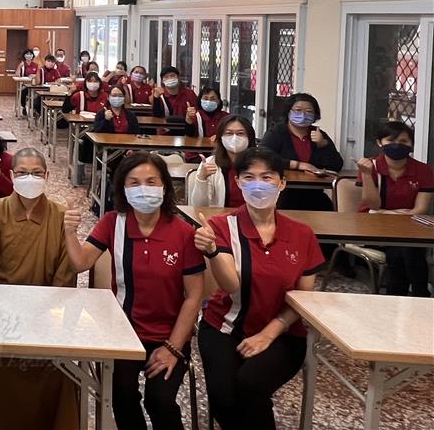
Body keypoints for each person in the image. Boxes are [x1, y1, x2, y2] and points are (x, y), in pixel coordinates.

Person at [63, 153, 204, 430]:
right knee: (121, 396)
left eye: (151, 182)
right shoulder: (112, 223)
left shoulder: (184, 233)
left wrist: (172, 348)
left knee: (160, 400)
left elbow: (194, 296)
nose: (143, 189)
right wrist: (69, 231)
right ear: (123, 189)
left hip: (170, 335)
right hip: (124, 333)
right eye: (134, 182)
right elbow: (80, 263)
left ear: (164, 186)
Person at [194, 147, 325, 430]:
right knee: (223, 398)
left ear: (282, 183)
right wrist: (213, 251)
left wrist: (269, 333)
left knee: (251, 384)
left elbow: (304, 298)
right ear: (238, 182)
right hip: (224, 327)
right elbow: (230, 285)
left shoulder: (302, 234)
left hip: (284, 332)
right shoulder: (221, 226)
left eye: (267, 177)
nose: (258, 185)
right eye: (249, 177)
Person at [0, 147, 78, 430]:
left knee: (59, 370)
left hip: (45, 317)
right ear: (11, 175)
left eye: (36, 173)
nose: (29, 178)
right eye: (22, 173)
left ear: (47, 176)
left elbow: (67, 274)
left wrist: (47, 317)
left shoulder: (60, 216)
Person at [356, 121, 433, 296]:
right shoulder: (370, 166)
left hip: (408, 229)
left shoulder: (422, 170)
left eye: (404, 141)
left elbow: (420, 209)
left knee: (403, 248)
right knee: (406, 248)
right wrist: (366, 175)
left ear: (411, 144)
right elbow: (373, 205)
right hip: (373, 228)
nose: (397, 145)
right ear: (379, 143)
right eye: (391, 140)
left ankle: (398, 298)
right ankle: (421, 295)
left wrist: (392, 217)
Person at [260, 92, 342, 211]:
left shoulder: (318, 133)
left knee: (330, 212)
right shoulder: (277, 132)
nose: (303, 115)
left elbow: (337, 165)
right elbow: (262, 158)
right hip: (283, 192)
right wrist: (297, 165)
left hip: (314, 193)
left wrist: (323, 144)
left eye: (309, 111)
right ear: (288, 112)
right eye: (298, 110)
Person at [187, 115, 257, 208]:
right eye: (229, 133)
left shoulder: (260, 164)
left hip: (254, 216)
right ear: (221, 138)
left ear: (249, 137)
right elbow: (199, 206)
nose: (234, 138)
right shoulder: (210, 163)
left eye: (240, 133)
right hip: (221, 216)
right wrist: (202, 178)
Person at [16, 48, 39, 117]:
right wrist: (19, 67)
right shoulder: (22, 64)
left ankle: (35, 109)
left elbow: (38, 75)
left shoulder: (36, 65)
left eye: (30, 54)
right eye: (27, 54)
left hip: (34, 85)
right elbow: (17, 75)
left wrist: (34, 76)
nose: (29, 55)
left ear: (32, 55)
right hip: (25, 85)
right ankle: (23, 107)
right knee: (23, 92)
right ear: (24, 55)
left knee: (38, 94)